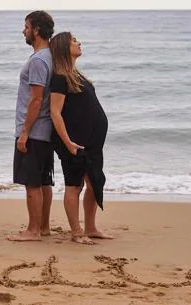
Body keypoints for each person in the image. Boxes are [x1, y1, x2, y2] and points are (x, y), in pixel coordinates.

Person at [49, 31, 114, 245]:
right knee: (74, 185)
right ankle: (77, 233)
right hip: (74, 141)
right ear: (63, 48)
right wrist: (68, 143)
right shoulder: (59, 78)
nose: (79, 43)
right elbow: (55, 113)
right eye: (74, 41)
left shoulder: (77, 75)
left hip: (93, 141)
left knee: (95, 182)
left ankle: (91, 227)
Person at [7, 11, 55, 242]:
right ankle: (43, 227)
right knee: (44, 181)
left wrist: (25, 132)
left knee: (32, 183)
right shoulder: (50, 56)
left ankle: (33, 230)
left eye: (26, 27)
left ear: (36, 30)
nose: (23, 31)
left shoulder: (38, 60)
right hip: (46, 130)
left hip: (35, 130)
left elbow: (36, 99)